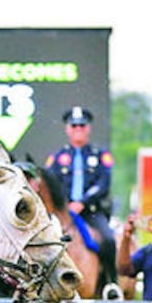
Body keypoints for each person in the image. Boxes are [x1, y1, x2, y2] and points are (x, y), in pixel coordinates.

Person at [45, 106, 116, 285]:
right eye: (74, 125)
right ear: (67, 129)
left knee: (108, 240)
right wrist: (66, 203)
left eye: (82, 126)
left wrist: (82, 202)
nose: (78, 129)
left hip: (92, 212)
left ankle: (110, 283)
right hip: (64, 213)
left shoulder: (100, 155)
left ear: (88, 128)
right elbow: (52, 184)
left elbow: (103, 184)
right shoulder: (57, 157)